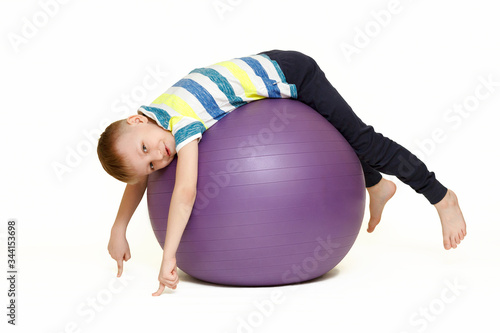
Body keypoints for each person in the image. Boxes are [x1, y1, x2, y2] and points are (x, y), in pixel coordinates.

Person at [97, 50, 467, 296]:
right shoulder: (154, 118)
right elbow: (138, 175)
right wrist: (118, 228)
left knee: (362, 141)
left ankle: (440, 196)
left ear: (136, 119)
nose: (158, 159)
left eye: (147, 150)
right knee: (342, 135)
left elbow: (186, 192)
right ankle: (377, 185)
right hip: (274, 66)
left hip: (295, 75)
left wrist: (169, 255)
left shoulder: (181, 123)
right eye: (150, 165)